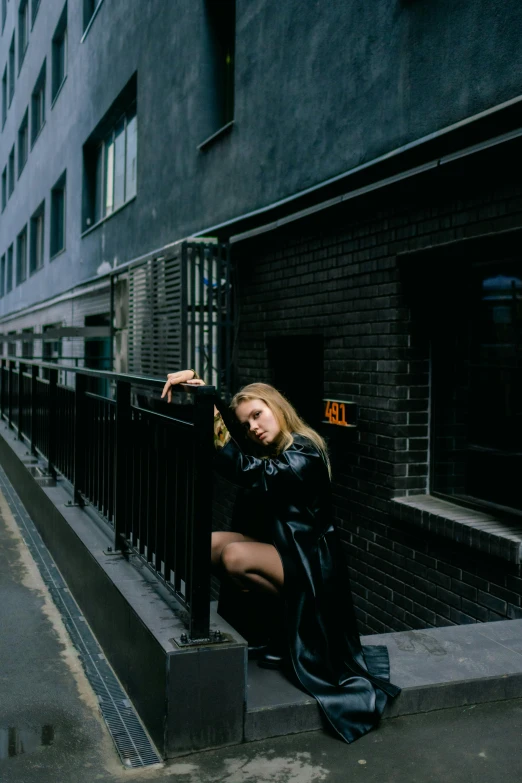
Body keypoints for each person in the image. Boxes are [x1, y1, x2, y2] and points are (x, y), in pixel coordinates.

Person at [161, 369, 400, 744]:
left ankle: (285, 629)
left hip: (311, 566)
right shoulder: (270, 445)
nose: (253, 427)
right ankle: (276, 629)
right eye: (247, 421)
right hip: (285, 551)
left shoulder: (304, 451)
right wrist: (200, 389)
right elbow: (232, 436)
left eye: (258, 414)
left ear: (277, 407)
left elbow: (243, 468)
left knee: (236, 556)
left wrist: (211, 415)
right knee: (205, 544)